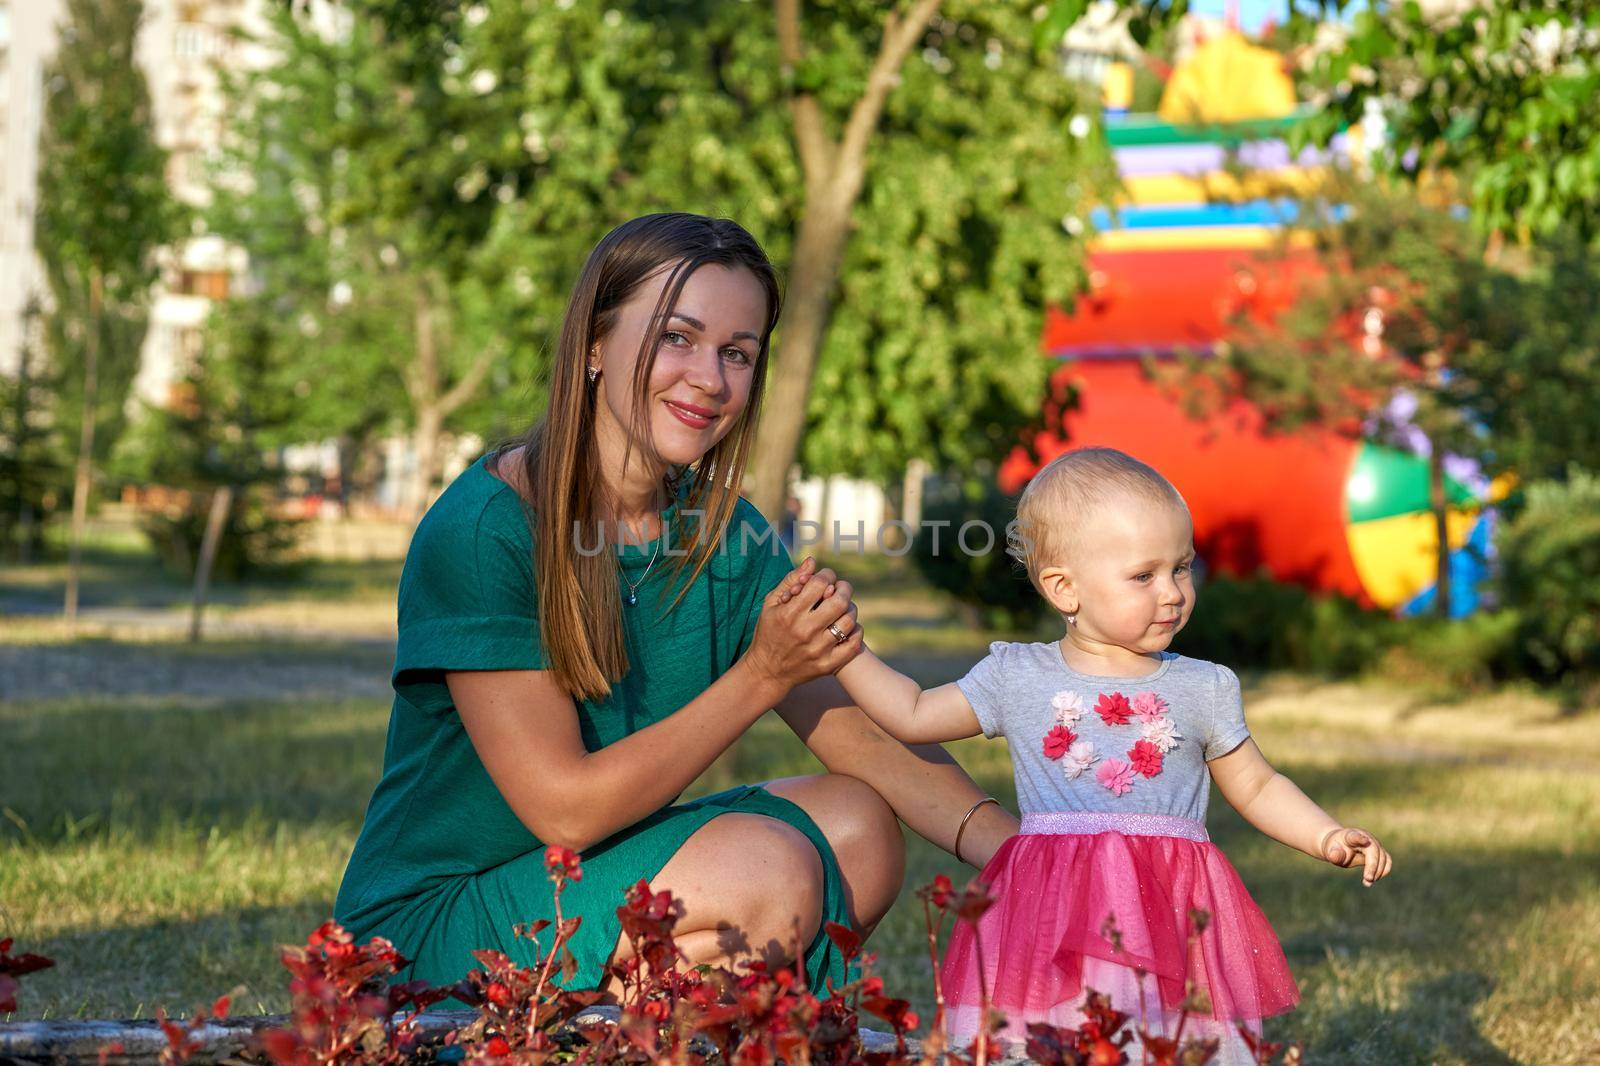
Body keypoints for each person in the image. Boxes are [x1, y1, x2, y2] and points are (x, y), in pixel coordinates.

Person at [333, 213, 1017, 997]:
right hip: (431, 931)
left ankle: (609, 1033)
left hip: (582, 886)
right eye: (676, 338)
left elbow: (857, 729)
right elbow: (564, 813)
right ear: (594, 344)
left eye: (737, 354)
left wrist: (1024, 853)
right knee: (769, 870)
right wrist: (759, 676)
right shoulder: (487, 531)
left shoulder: (721, 532)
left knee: (860, 831)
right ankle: (575, 1034)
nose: (709, 379)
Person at [818, 446, 1392, 1060]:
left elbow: (1255, 785)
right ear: (1065, 588)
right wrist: (845, 646)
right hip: (1049, 909)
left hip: (1166, 907)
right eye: (1144, 576)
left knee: (1161, 1038)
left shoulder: (1203, 686)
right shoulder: (1018, 676)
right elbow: (911, 713)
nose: (1173, 592)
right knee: (1044, 1034)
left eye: (1182, 567)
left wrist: (1326, 836)